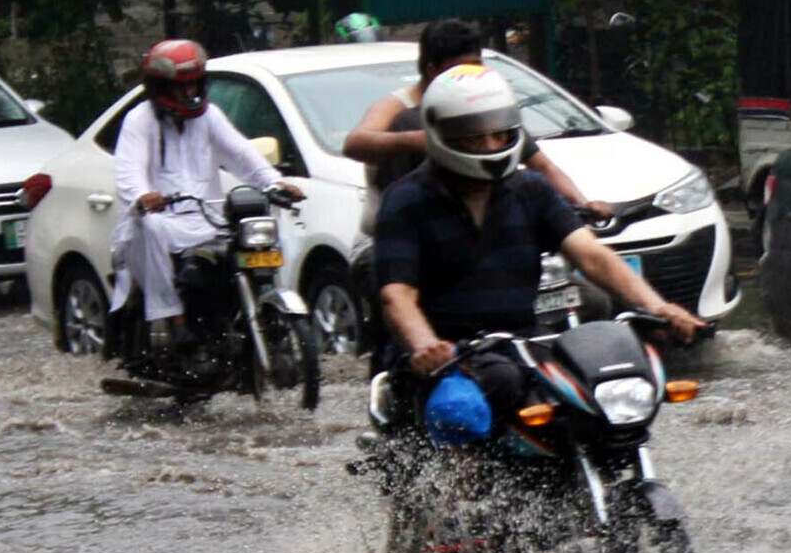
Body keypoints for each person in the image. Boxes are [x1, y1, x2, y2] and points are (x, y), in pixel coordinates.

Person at [374, 64, 703, 422]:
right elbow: (397, 296)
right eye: (474, 137)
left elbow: (593, 257)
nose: (490, 145)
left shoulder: (531, 190)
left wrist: (660, 308)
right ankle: (462, 476)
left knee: (596, 380)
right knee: (482, 396)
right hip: (444, 352)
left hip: (520, 342)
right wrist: (426, 346)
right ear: (441, 135)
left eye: (499, 134)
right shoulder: (405, 201)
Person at [344, 19, 614, 362]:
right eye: (461, 70)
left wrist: (582, 202)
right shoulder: (401, 114)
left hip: (473, 231)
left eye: (478, 68)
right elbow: (356, 142)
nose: (487, 145)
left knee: (590, 300)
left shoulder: (486, 114)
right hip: (403, 240)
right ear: (432, 70)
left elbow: (543, 167)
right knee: (405, 313)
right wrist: (435, 140)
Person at [110, 39, 305, 347]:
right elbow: (129, 171)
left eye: (193, 85)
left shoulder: (209, 116)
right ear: (161, 88)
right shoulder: (139, 120)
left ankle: (257, 311)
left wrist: (274, 183)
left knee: (258, 230)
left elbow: (242, 156)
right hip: (161, 220)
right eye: (180, 87)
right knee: (153, 228)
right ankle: (176, 322)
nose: (189, 93)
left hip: (208, 220)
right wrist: (143, 196)